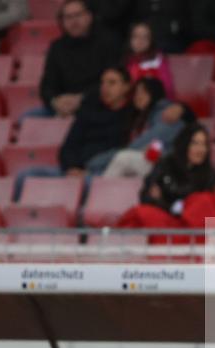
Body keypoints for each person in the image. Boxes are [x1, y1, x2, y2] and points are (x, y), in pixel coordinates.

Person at [14, 66, 135, 200]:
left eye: (112, 83)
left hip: (102, 173)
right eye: (103, 82)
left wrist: (87, 171)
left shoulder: (132, 116)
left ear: (126, 87)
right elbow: (69, 145)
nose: (105, 87)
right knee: (25, 175)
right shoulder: (89, 110)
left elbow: (121, 152)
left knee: (89, 184)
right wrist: (72, 167)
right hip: (72, 170)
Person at [34, 0, 123, 119]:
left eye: (78, 15)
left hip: (98, 105)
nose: (73, 21)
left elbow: (112, 83)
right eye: (68, 17)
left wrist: (81, 99)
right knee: (28, 117)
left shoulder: (108, 42)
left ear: (89, 16)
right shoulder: (57, 47)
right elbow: (47, 86)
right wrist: (55, 102)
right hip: (63, 107)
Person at [101, 77, 188, 178]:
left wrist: (101, 161)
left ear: (155, 93)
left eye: (144, 92)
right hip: (149, 163)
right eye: (136, 93)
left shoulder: (164, 112)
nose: (138, 96)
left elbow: (154, 143)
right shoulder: (139, 118)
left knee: (123, 158)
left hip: (167, 164)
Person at [125, 21, 175, 99]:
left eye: (145, 37)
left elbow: (168, 89)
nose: (140, 41)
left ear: (151, 40)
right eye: (136, 36)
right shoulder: (125, 60)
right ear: (129, 39)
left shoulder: (158, 60)